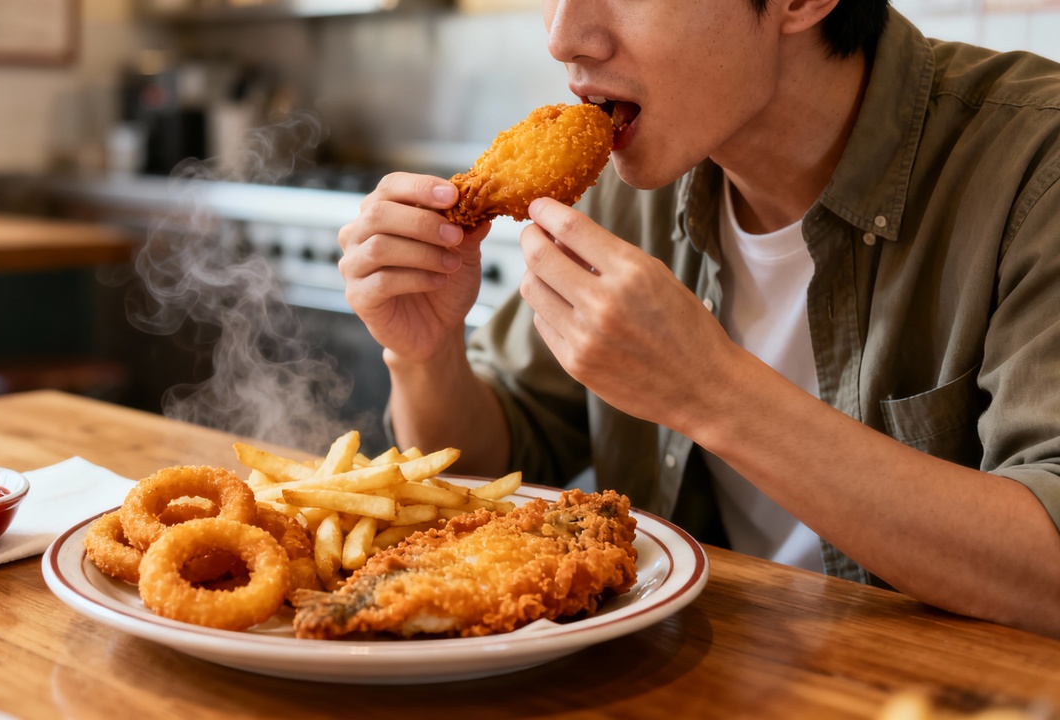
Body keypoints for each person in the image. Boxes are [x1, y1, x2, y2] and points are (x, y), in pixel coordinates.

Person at [336, 0, 1060, 636]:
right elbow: (493, 462)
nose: (562, 35)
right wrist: (427, 354)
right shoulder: (634, 179)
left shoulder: (1034, 168)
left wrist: (711, 391)